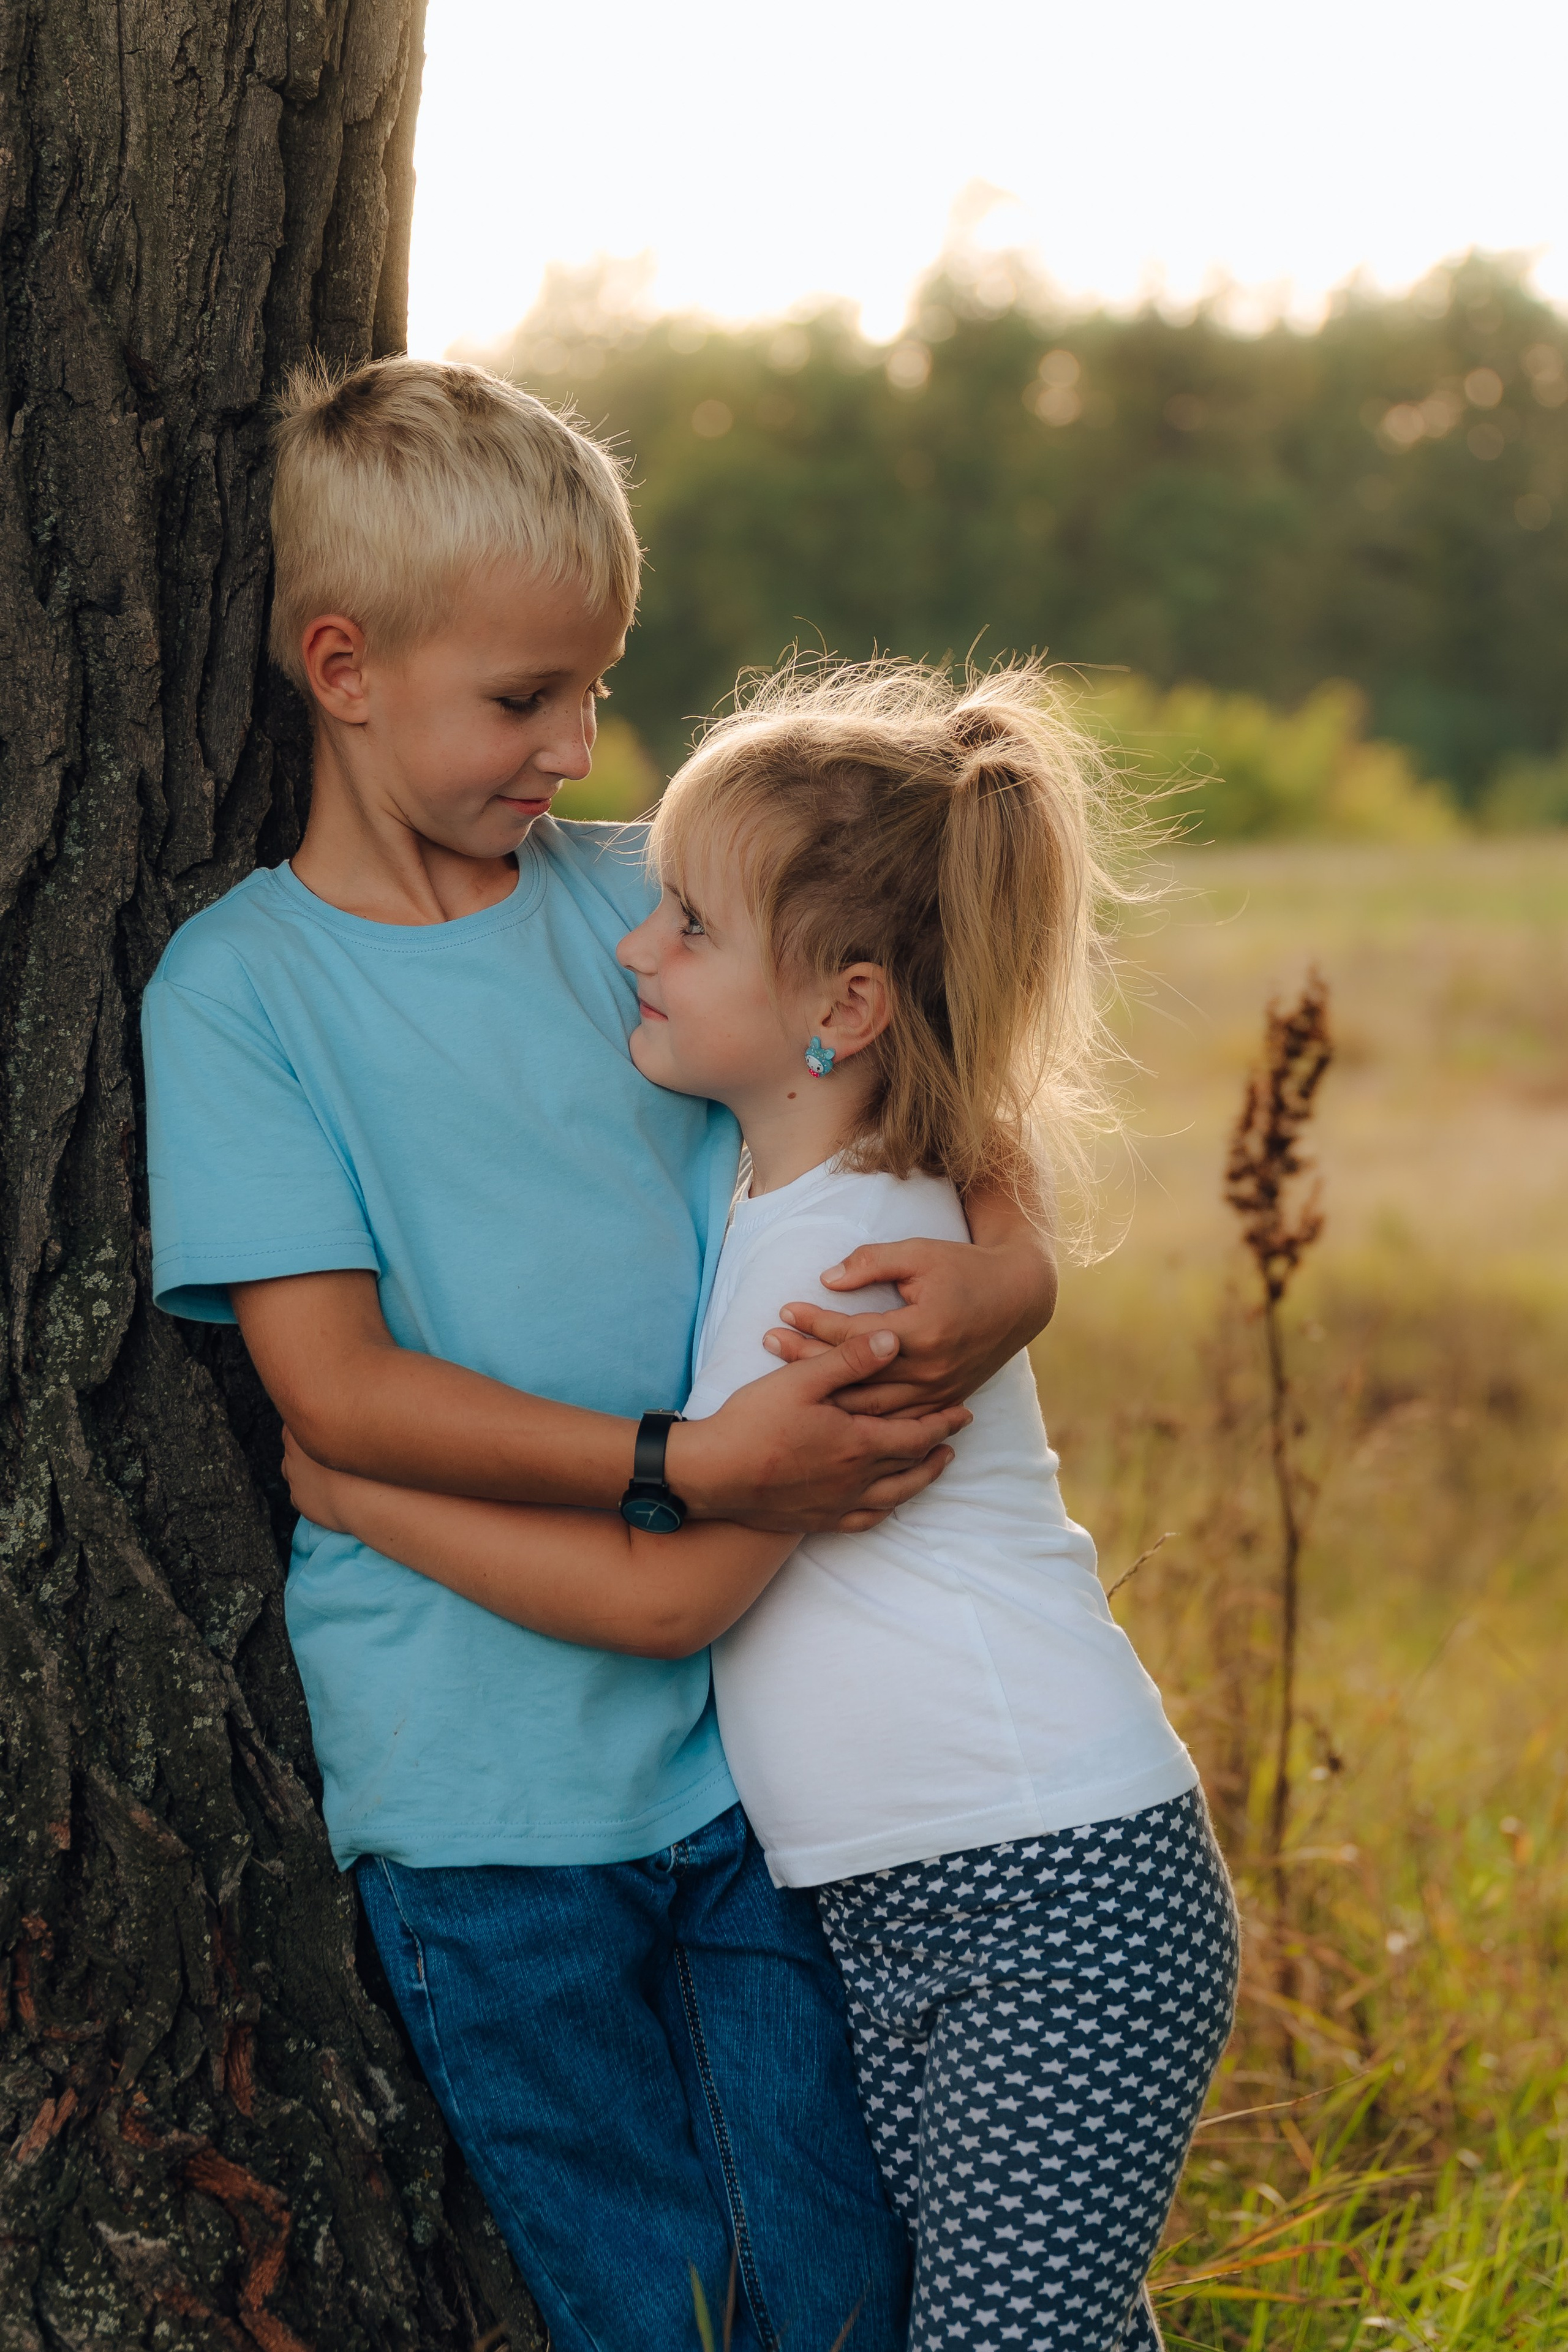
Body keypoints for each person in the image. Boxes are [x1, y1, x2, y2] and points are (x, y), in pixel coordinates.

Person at [140, 357, 1059, 2352]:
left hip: (745, 1772)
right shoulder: (242, 993)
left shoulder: (653, 910)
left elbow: (908, 1061)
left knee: (837, 2281)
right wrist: (689, 1466)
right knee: (658, 2303)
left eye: (591, 688)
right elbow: (339, 1396)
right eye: (523, 699)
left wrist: (1022, 1268)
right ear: (344, 665)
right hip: (479, 1798)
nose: (574, 746)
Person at [285, 657, 1243, 2352]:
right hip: (919, 1898)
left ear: (847, 1008)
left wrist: (360, 1491)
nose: (634, 948)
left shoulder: (850, 1281)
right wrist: (1019, 1271)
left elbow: (671, 1602)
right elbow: (988, 1139)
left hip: (1043, 1890)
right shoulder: (819, 1180)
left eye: (690, 926)